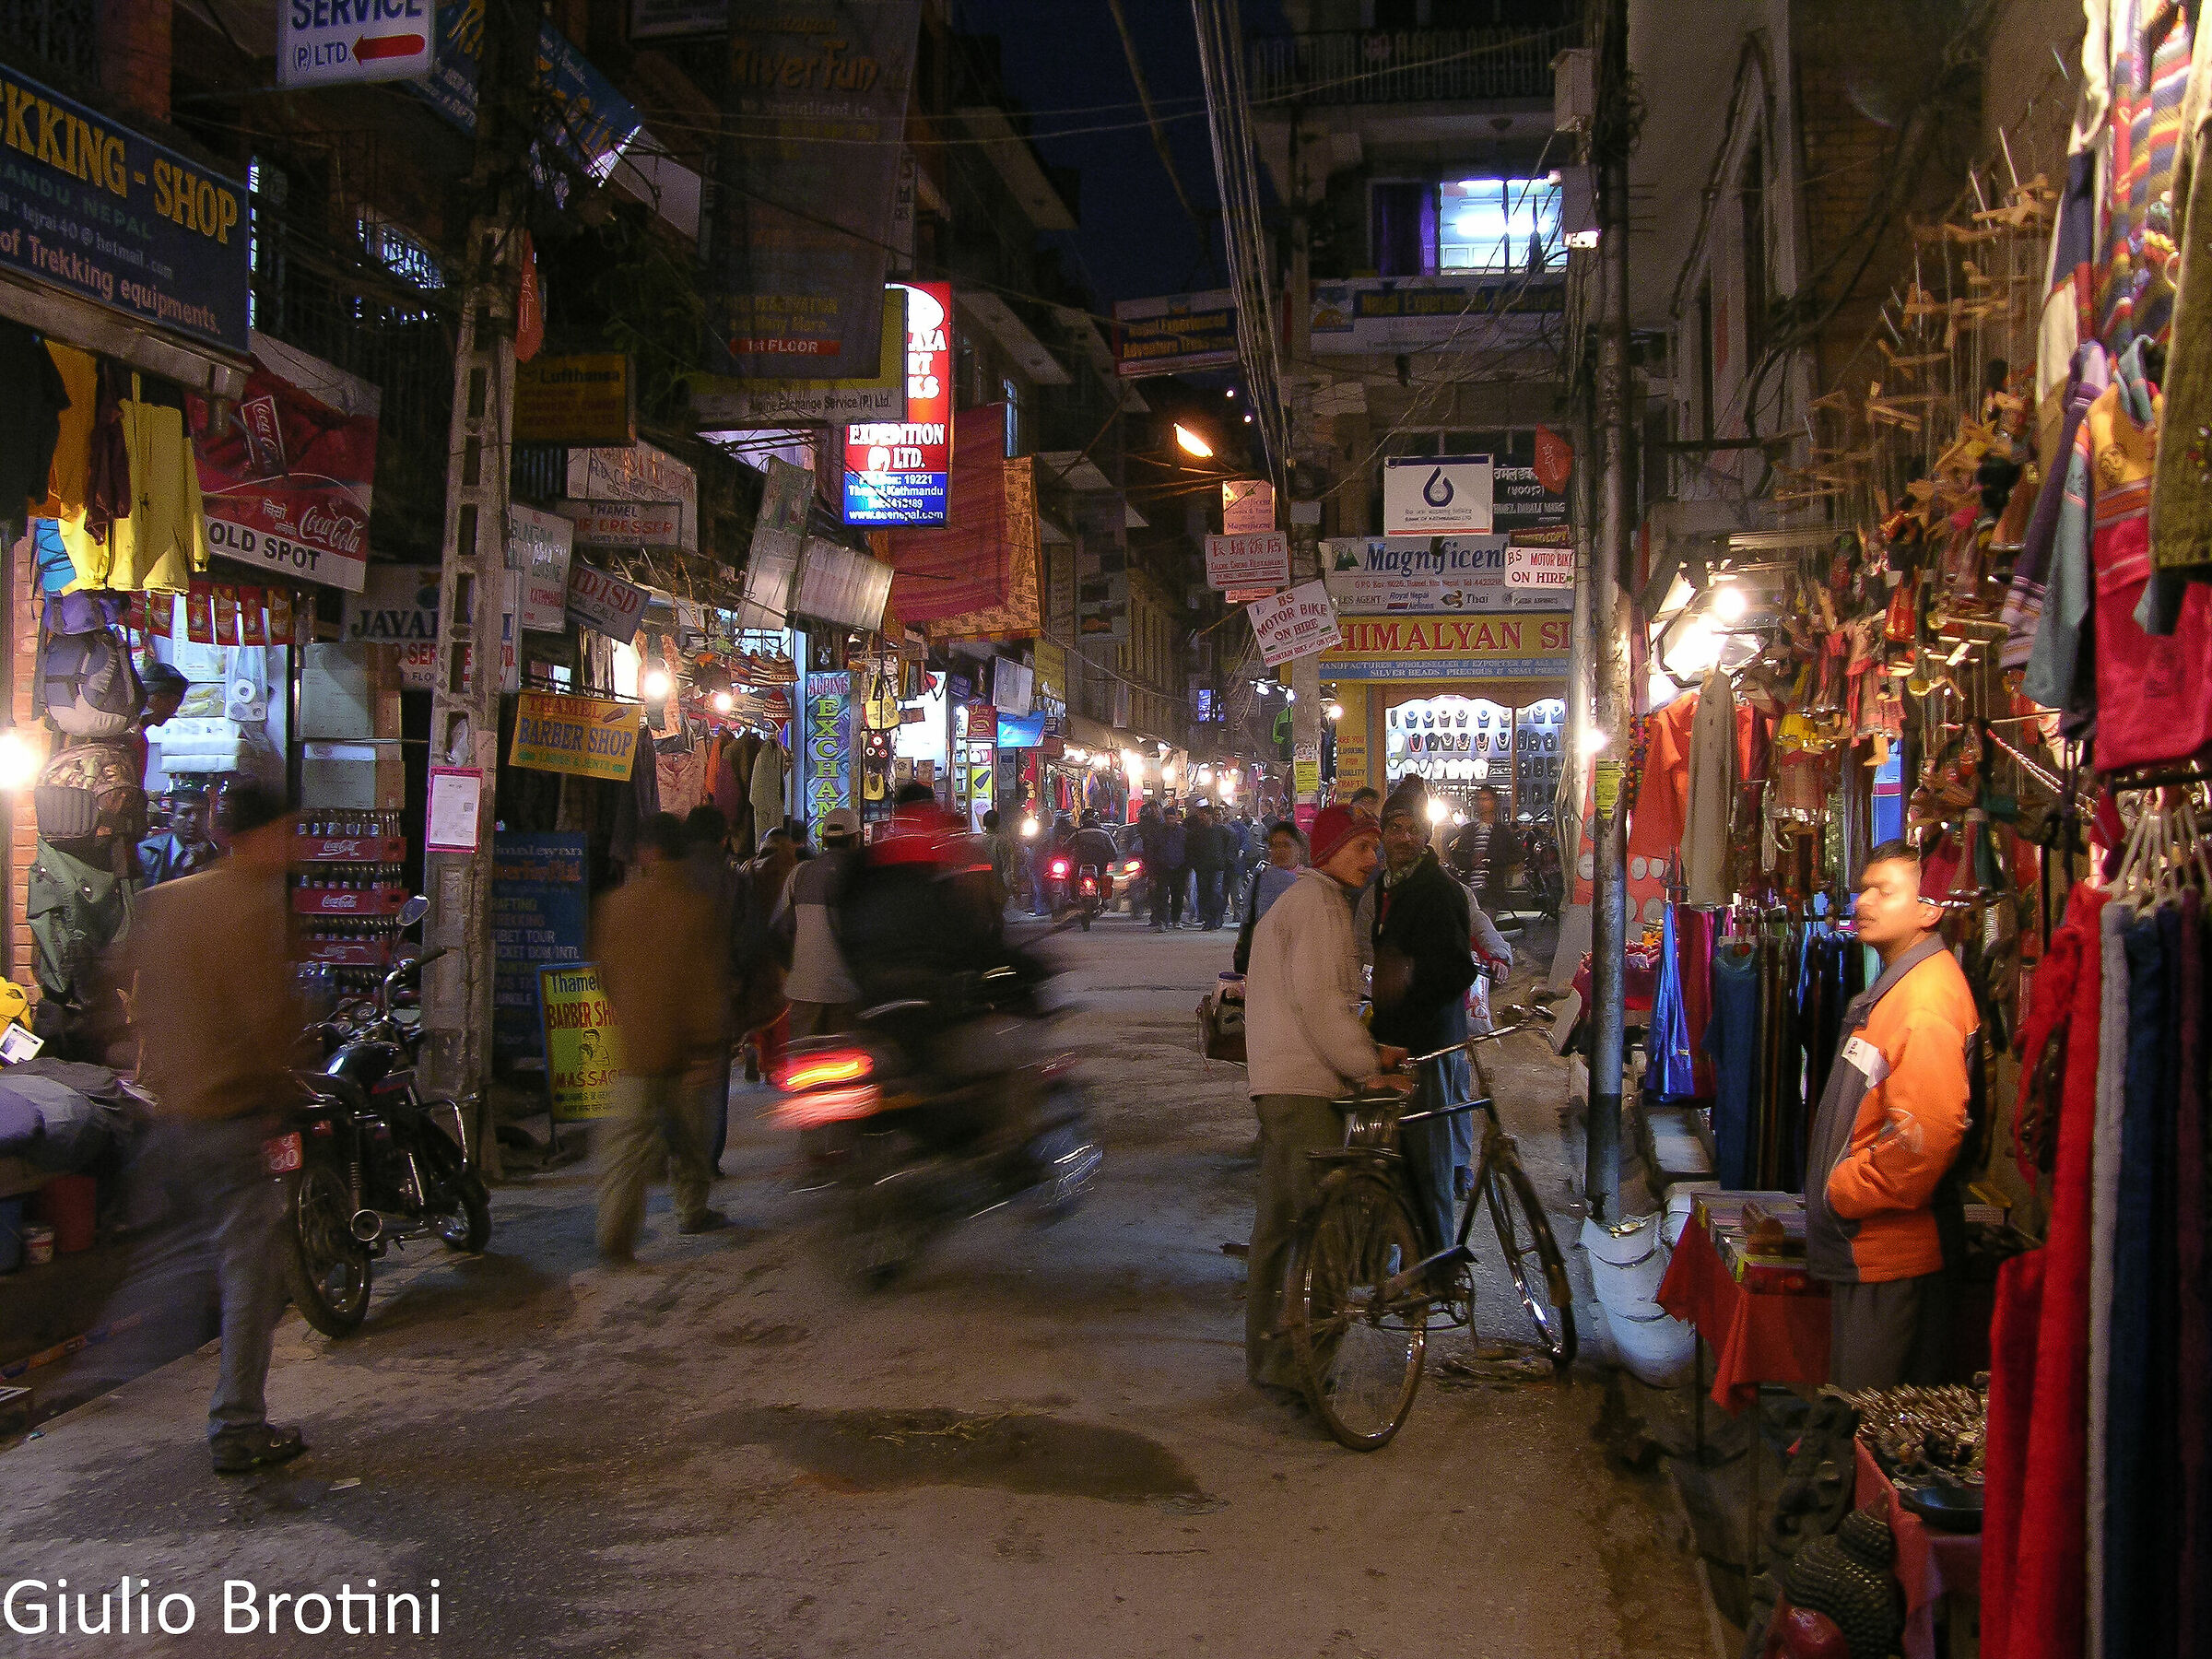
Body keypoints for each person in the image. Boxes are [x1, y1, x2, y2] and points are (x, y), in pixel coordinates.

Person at [106, 781, 305, 1473]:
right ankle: (238, 1424)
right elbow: (265, 1020)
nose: (293, 846)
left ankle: (102, 1382)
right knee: (251, 1272)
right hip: (230, 1117)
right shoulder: (252, 908)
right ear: (260, 835)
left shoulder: (166, 901)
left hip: (168, 1115)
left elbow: (117, 987)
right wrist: (282, 1087)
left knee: (177, 1260)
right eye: (287, 831)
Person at [1241, 803, 1408, 1405]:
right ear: (1332, 850)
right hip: (1303, 1087)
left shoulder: (1315, 904)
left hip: (1287, 1083)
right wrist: (1367, 1069)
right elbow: (1318, 1004)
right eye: (1363, 847)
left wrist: (1371, 1052)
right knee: (1328, 1228)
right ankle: (1300, 1366)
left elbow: (1327, 1004)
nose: (1374, 859)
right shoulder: (1315, 906)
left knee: (1281, 1227)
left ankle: (1271, 1360)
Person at [1806, 840, 1980, 1391]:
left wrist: (1843, 1193)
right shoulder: (1898, 990)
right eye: (1863, 888)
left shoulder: (1924, 1002)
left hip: (1891, 1252)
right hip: (1873, 1249)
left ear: (1929, 909)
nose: (1863, 902)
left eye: (1884, 891)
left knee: (1868, 1423)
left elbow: (1924, 1136)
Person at [595, 812, 733, 1260]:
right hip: (687, 1055)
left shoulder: (615, 906)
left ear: (645, 854)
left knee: (626, 1150)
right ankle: (692, 1211)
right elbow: (705, 987)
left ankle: (616, 1231)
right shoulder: (694, 909)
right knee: (691, 1143)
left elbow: (606, 977)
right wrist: (708, 1049)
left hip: (635, 1049)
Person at [1370, 781, 1481, 1251]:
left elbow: (1459, 969)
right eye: (1393, 828)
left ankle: (1437, 1259)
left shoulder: (1436, 889)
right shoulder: (1387, 885)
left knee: (1428, 1155)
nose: (1402, 838)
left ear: (1427, 832)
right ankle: (1399, 1253)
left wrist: (1409, 974)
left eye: (1411, 829)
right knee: (1393, 1154)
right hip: (1397, 1039)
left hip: (1431, 1043)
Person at [679, 806, 740, 1171]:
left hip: (669, 998)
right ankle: (707, 1158)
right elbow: (748, 941)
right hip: (715, 996)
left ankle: (677, 1155)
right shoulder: (731, 881)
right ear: (722, 839)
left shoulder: (665, 879)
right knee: (712, 1081)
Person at [776, 808, 863, 1038]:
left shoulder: (799, 874)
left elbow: (778, 932)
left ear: (823, 839)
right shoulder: (864, 876)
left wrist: (798, 968)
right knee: (846, 1064)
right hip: (848, 994)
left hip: (803, 991)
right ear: (856, 839)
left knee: (800, 1060)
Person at [1232, 820, 1305, 976]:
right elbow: (1248, 919)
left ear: (1300, 849)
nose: (1279, 851)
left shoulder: (1308, 883)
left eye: (1286, 845)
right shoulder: (1259, 880)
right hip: (1263, 960)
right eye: (1274, 845)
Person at [1065, 810, 1118, 910]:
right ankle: (1104, 900)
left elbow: (1065, 848)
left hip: (1080, 863)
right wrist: (1112, 858)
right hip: (1100, 864)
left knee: (1071, 876)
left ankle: (1072, 898)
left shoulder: (1077, 832)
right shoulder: (1104, 833)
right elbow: (1114, 851)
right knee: (1103, 876)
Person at [1187, 803, 1228, 930]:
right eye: (1200, 814)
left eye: (1204, 814)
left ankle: (1217, 917)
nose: (1202, 817)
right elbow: (1191, 849)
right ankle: (1208, 920)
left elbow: (1227, 846)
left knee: (1215, 893)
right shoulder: (1197, 832)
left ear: (1210, 815)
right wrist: (1194, 863)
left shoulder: (1220, 830)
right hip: (1202, 868)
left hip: (1217, 867)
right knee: (1204, 894)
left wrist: (1224, 860)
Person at [1135, 802, 1171, 931]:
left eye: (1157, 808)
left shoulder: (1165, 826)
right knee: (1153, 891)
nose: (1155, 811)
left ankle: (1164, 919)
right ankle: (1156, 916)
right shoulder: (1146, 826)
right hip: (1151, 862)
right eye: (1153, 809)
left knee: (1162, 892)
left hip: (1163, 863)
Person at [979, 808, 1022, 915]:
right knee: (996, 915)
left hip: (978, 887)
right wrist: (1014, 888)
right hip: (996, 887)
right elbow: (1007, 869)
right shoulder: (1002, 842)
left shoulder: (975, 841)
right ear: (998, 823)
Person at [1158, 805, 1190, 929]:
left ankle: (1176, 919)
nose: (1170, 821)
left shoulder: (1183, 833)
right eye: (1168, 818)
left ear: (1176, 818)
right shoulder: (1159, 833)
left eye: (1172, 818)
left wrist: (1186, 867)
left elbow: (1188, 850)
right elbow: (1155, 851)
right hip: (1163, 868)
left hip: (1179, 869)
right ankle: (1163, 921)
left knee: (1177, 895)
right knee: (1162, 896)